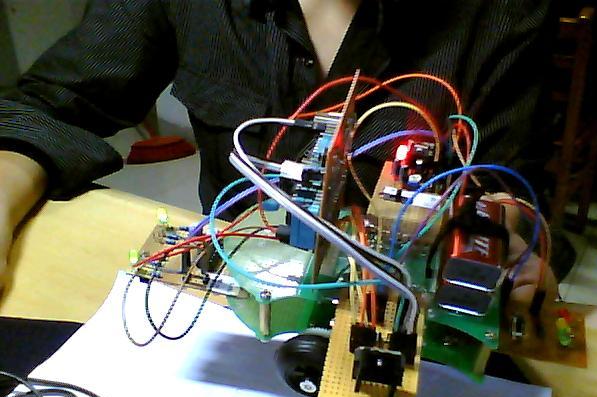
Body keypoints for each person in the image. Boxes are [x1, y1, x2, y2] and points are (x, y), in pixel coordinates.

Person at [0, 0, 556, 303]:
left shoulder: (504, 14)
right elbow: (52, 105)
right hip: (227, 294)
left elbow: (513, 189)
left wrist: (513, 242)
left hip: (397, 308)